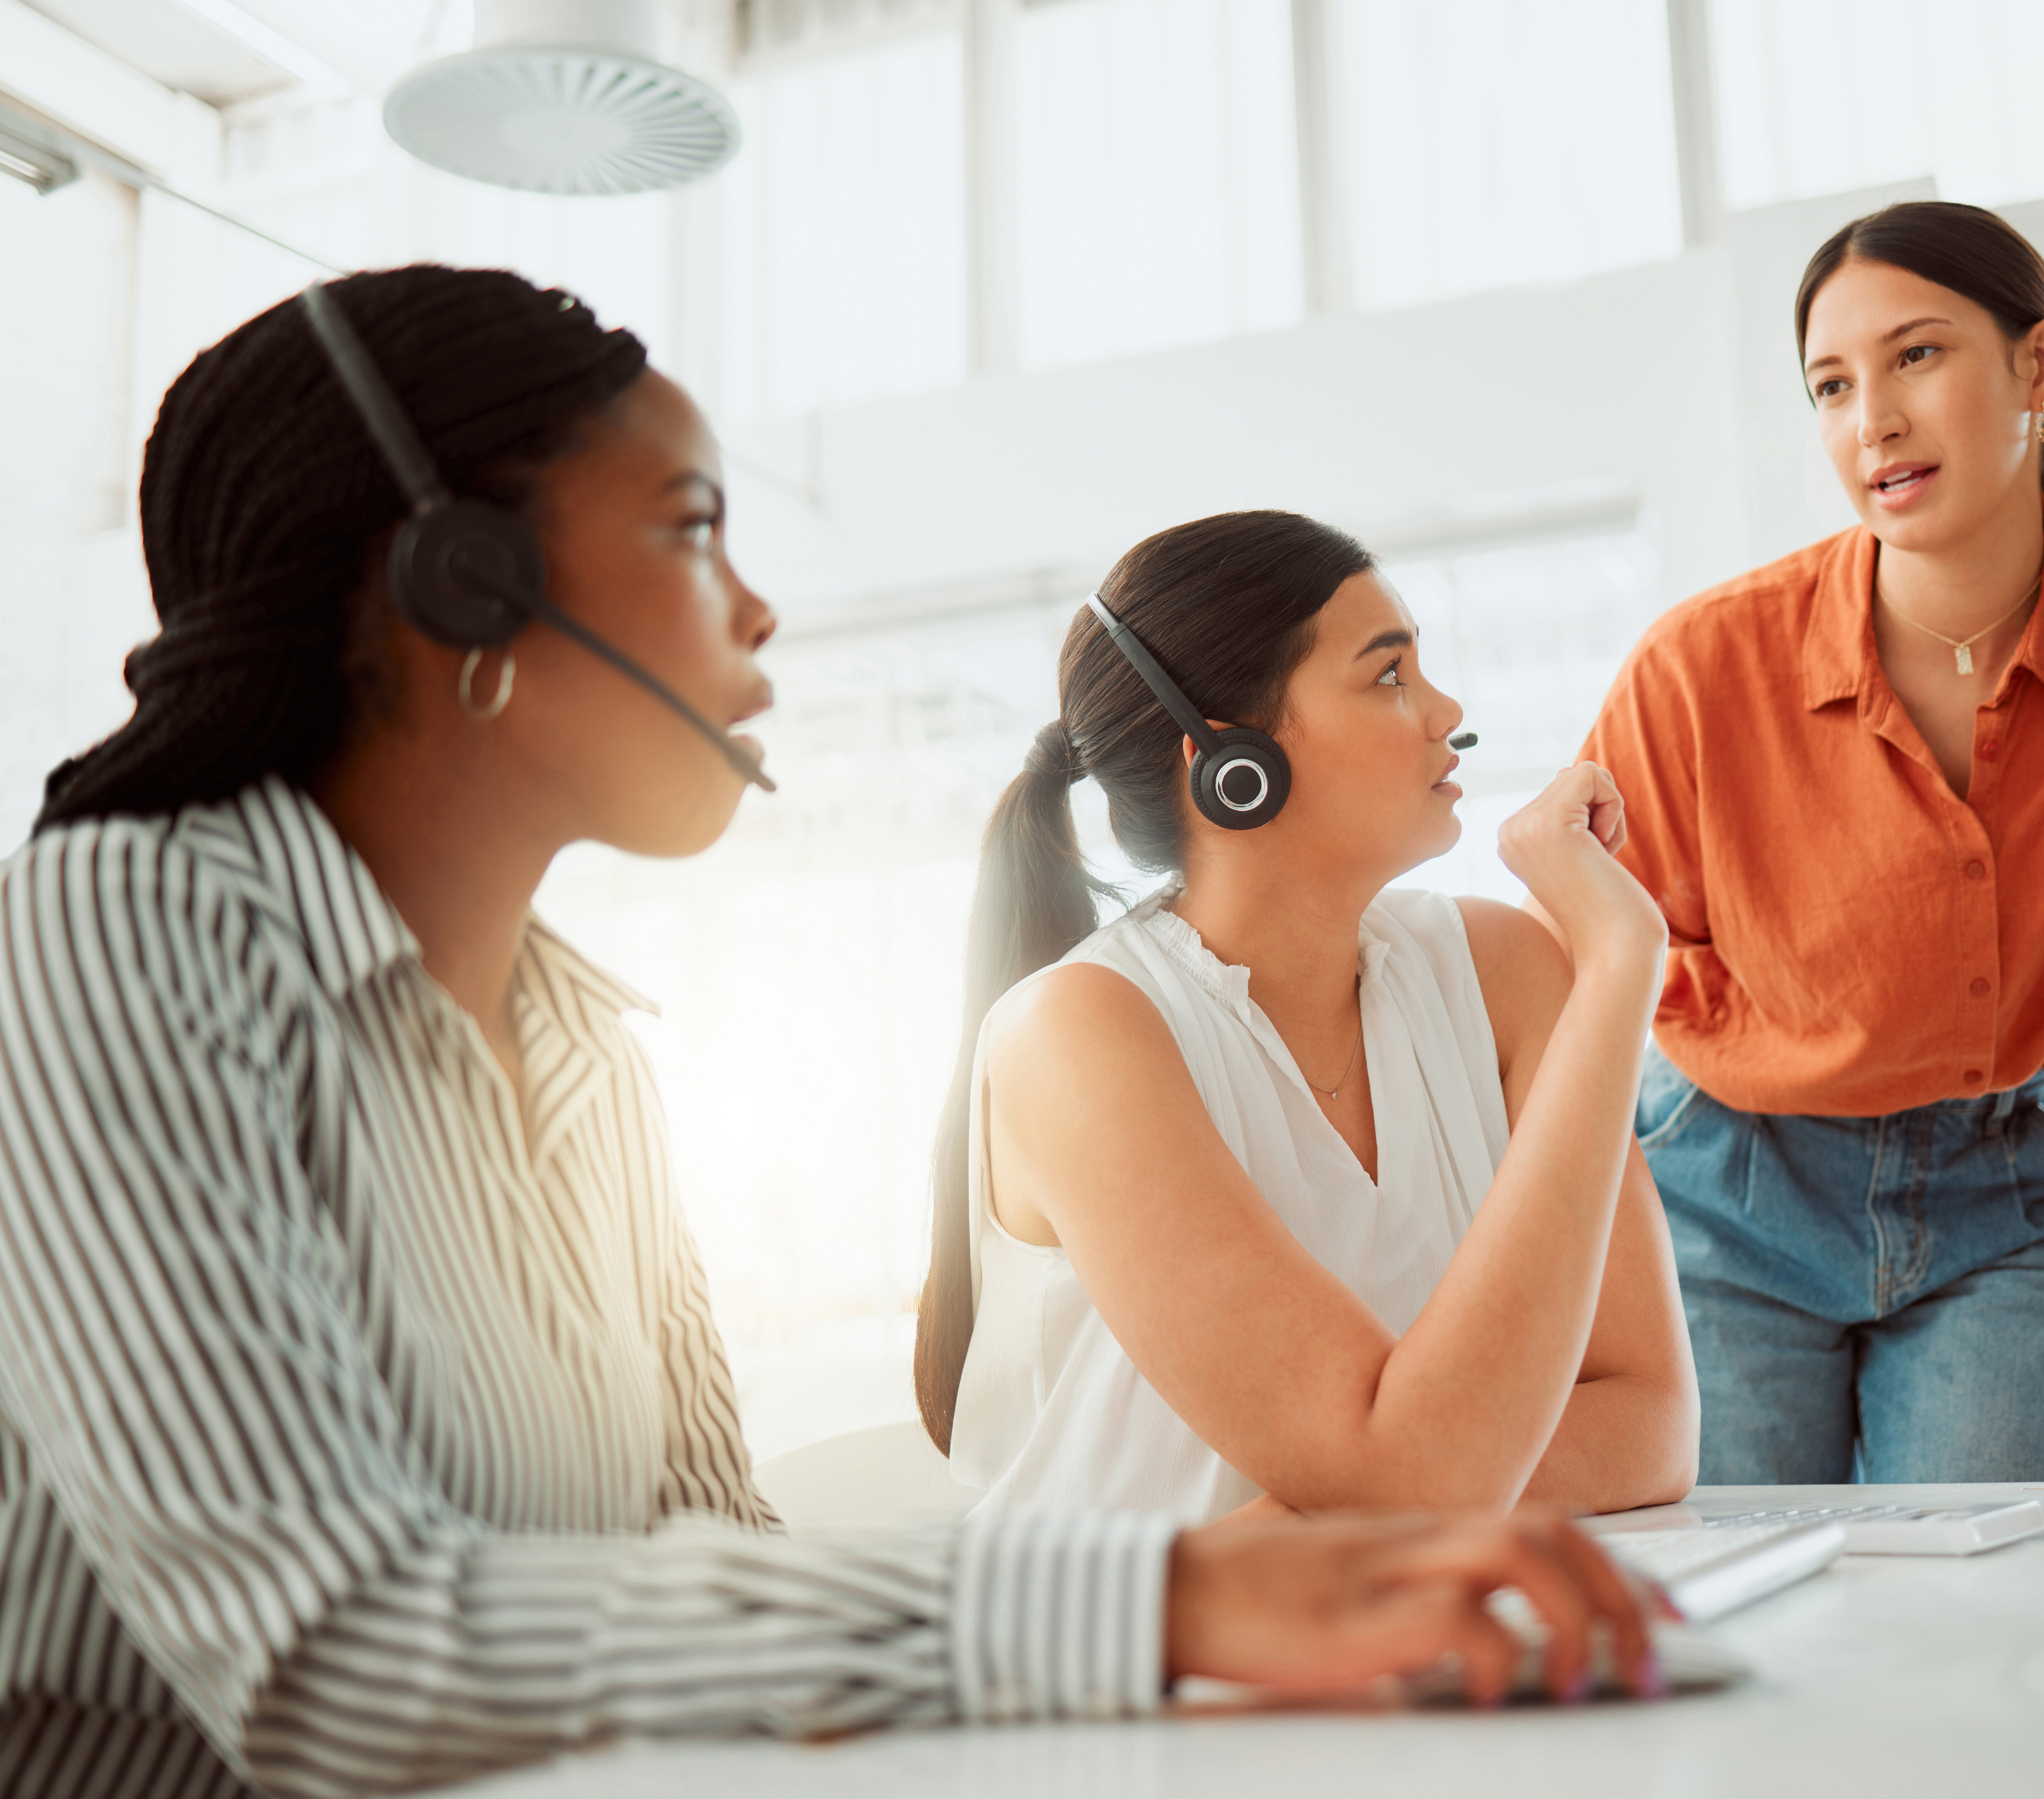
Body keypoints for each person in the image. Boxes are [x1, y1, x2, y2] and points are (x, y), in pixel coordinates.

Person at [0, 267, 1656, 1799]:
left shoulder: (590, 1050)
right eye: (694, 531)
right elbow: (322, 1657)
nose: (763, 613)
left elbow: (711, 1551)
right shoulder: (117, 926)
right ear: (467, 583)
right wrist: (1171, 1597)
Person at [1574, 201, 2044, 1485]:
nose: (1871, 418)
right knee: (1754, 1630)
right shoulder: (1700, 668)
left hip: (2017, 1190)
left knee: (1991, 1622)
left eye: (1916, 356)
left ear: (2041, 366)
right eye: (1831, 383)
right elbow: (1577, 989)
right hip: (1725, 1182)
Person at [917, 512, 1699, 1524]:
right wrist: (1619, 968)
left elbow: (1653, 1425)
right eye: (1389, 675)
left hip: (1388, 1641)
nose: (1446, 709)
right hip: (1122, 1673)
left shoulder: (1501, 970)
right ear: (1231, 768)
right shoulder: (1078, 1034)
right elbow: (1409, 1483)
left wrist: (1379, 1495)